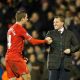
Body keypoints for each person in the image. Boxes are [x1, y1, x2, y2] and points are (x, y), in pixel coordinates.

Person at [5, 10, 52, 80]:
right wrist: (45, 41)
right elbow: (33, 41)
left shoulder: (10, 29)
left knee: (12, 79)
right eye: (26, 17)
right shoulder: (20, 28)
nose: (27, 19)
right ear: (22, 19)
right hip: (15, 57)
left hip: (8, 57)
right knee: (27, 77)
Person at [46, 16, 80, 80]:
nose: (54, 24)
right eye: (54, 22)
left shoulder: (70, 34)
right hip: (53, 63)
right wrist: (47, 42)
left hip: (65, 64)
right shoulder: (50, 33)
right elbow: (46, 43)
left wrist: (70, 50)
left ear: (62, 23)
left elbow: (77, 45)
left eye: (56, 22)